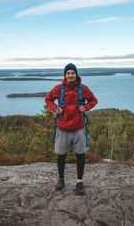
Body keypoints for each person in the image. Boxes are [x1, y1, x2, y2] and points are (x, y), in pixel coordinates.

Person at [45, 63, 98, 195]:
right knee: (61, 155)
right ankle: (61, 180)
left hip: (78, 127)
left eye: (72, 73)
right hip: (62, 127)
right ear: (65, 75)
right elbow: (48, 99)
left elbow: (93, 100)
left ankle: (79, 182)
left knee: (80, 155)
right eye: (68, 73)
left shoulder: (83, 88)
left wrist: (85, 108)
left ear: (76, 74)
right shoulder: (59, 88)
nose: (70, 75)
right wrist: (56, 109)